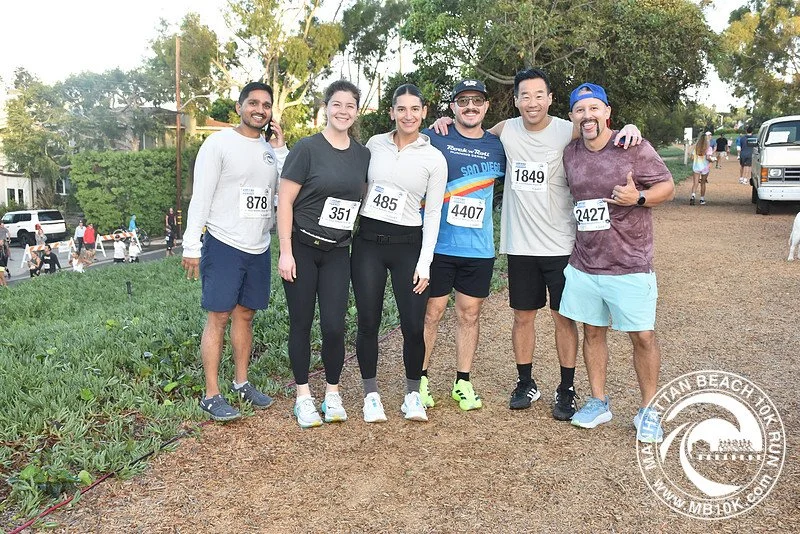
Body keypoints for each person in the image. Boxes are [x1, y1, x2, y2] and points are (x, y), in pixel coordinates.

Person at [433, 68, 640, 421]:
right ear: (515, 101)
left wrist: (628, 129)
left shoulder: (567, 128)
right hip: (521, 245)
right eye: (524, 96)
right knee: (523, 317)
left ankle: (566, 388)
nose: (532, 102)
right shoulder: (506, 130)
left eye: (539, 95)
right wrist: (444, 123)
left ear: (550, 98)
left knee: (564, 319)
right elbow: (473, 133)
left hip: (561, 244)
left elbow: (599, 130)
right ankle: (526, 382)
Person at [560, 82, 675, 443]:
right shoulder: (570, 153)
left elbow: (667, 186)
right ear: (573, 117)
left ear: (607, 112)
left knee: (642, 336)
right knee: (593, 331)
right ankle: (598, 401)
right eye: (580, 110)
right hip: (586, 262)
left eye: (594, 108)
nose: (587, 116)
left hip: (630, 262)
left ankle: (648, 410)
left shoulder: (633, 146)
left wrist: (637, 197)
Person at [182, 81, 288, 422]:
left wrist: (281, 147)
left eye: (266, 105)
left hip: (259, 246)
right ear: (240, 106)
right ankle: (211, 394)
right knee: (219, 317)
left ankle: (242, 382)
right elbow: (201, 196)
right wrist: (191, 245)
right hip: (224, 243)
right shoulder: (218, 144)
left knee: (246, 315)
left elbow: (286, 188)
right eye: (253, 102)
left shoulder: (270, 149)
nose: (260, 109)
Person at [277, 80, 371, 428]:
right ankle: (303, 396)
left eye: (349, 105)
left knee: (334, 326)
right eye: (336, 104)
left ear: (356, 112)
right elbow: (284, 200)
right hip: (302, 247)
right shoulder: (306, 149)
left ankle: (332, 392)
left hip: (337, 252)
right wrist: (285, 252)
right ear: (326, 108)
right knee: (301, 322)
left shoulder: (363, 154)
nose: (343, 111)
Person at [351, 83, 447, 423]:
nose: (408, 115)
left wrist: (425, 263)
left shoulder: (434, 158)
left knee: (412, 325)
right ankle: (371, 395)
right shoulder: (374, 145)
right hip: (368, 245)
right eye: (401, 109)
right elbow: (351, 180)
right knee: (368, 322)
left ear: (424, 113)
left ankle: (412, 395)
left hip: (409, 246)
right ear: (391, 111)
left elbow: (433, 213)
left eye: (414, 109)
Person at [420, 79, 505, 412]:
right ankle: (420, 380)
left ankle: (463, 382)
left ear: (486, 107)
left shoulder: (498, 144)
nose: (471, 107)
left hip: (478, 249)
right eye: (463, 101)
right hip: (438, 245)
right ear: (453, 106)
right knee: (431, 313)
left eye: (477, 101)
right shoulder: (435, 136)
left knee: (469, 315)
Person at [690, 132, 713, 205]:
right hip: (704, 167)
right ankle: (702, 199)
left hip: (696, 166)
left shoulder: (696, 147)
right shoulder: (708, 148)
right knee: (703, 183)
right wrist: (712, 160)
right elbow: (708, 157)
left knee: (695, 183)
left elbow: (692, 157)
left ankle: (693, 196)